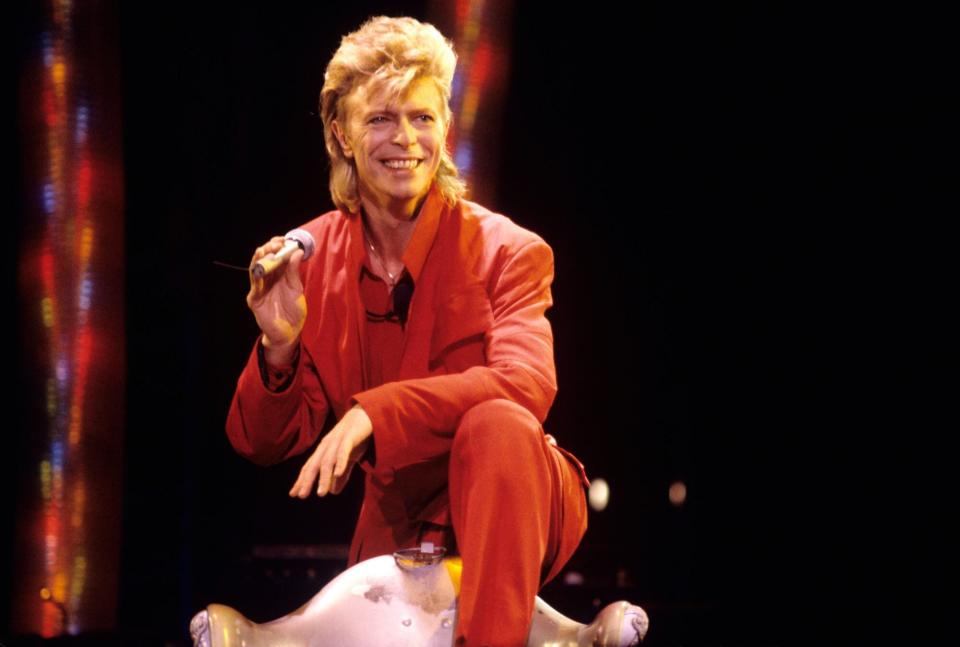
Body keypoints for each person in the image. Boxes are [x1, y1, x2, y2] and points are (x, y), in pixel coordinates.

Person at [226, 16, 590, 646]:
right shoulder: (310, 259)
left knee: (498, 422)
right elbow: (260, 443)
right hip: (399, 515)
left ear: (445, 128)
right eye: (380, 119)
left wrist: (373, 415)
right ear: (340, 134)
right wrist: (278, 346)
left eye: (422, 117)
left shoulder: (511, 249)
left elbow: (526, 385)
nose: (406, 139)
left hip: (517, 492)